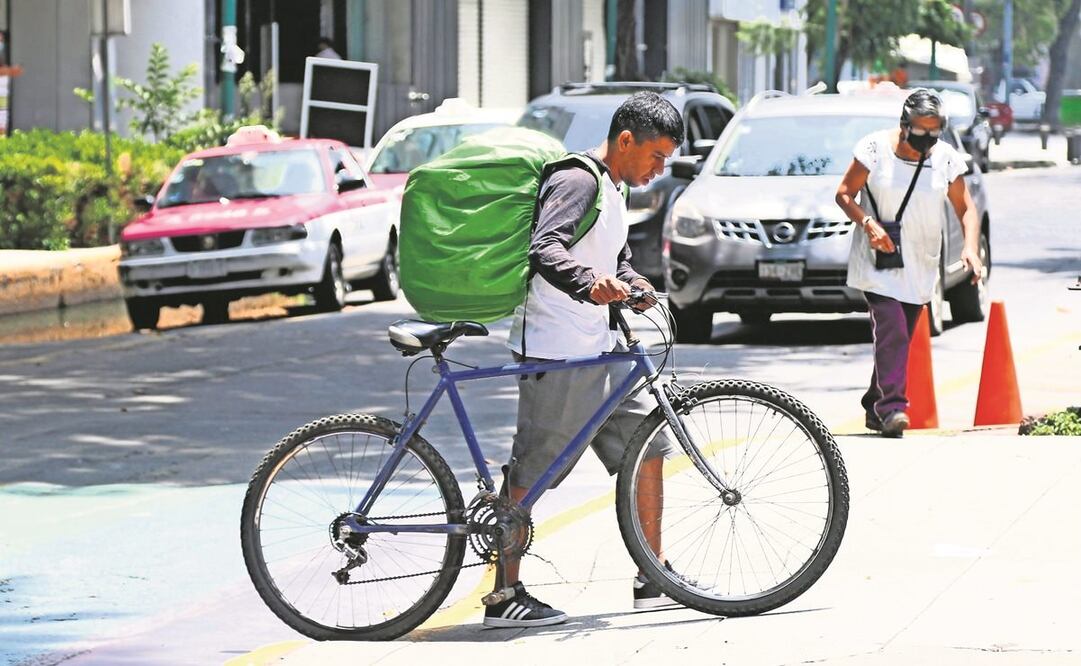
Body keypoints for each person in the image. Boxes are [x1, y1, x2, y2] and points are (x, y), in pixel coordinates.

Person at [483, 92, 685, 628]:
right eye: (656, 156)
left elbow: (610, 254)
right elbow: (546, 248)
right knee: (536, 469)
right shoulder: (579, 179)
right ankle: (504, 594)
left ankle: (654, 572)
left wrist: (634, 285)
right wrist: (588, 284)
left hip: (602, 346)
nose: (659, 169)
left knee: (649, 443)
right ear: (626, 141)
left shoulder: (614, 188)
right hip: (560, 347)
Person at [835, 89, 983, 438]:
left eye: (935, 132)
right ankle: (892, 409)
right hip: (878, 259)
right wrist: (867, 223)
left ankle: (875, 401)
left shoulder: (945, 158)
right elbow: (843, 193)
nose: (928, 140)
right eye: (922, 132)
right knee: (893, 330)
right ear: (904, 125)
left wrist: (971, 249)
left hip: (921, 261)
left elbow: (967, 210)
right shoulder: (874, 150)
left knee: (897, 339)